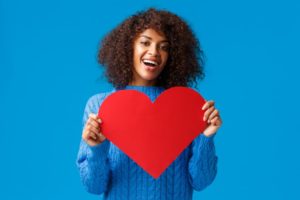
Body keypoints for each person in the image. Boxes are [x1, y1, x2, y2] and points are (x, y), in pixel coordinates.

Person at [76, 8, 222, 200]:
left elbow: (201, 181)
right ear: (129, 47)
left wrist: (206, 137)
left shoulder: (187, 106)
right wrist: (96, 149)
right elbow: (93, 186)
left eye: (164, 47)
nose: (154, 52)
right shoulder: (100, 105)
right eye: (145, 42)